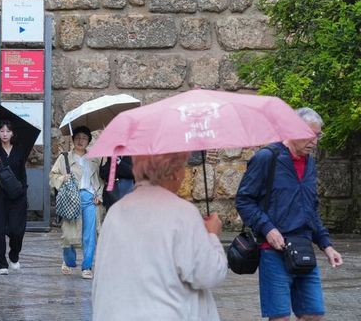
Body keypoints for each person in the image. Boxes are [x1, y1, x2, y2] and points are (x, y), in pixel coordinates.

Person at [235, 107, 343, 321]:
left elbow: (311, 208)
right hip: (273, 250)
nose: (314, 141)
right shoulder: (267, 158)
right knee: (280, 317)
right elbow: (244, 200)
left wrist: (326, 245)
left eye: (318, 135)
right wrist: (268, 229)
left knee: (313, 314)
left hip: (303, 247)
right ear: (291, 130)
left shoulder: (310, 163)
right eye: (309, 135)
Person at [92, 152, 227, 320]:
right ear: (174, 172)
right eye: (182, 167)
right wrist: (212, 236)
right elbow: (210, 273)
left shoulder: (115, 212)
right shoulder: (182, 213)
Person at [49, 126, 102, 279]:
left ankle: (87, 266)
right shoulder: (64, 157)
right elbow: (52, 176)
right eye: (78, 137)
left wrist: (99, 194)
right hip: (71, 198)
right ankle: (68, 260)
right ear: (73, 140)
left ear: (88, 141)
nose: (80, 141)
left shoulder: (94, 159)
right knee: (68, 234)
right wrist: (61, 178)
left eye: (84, 138)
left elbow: (99, 180)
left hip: (90, 198)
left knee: (90, 235)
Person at [0, 119, 28, 275]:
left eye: (8, 131)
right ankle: (1, 264)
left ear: (12, 133)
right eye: (2, 131)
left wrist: (23, 191)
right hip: (0, 195)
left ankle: (14, 255)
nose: (5, 134)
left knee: (17, 230)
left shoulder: (19, 150)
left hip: (17, 195)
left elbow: (22, 174)